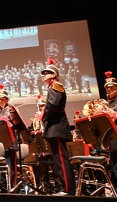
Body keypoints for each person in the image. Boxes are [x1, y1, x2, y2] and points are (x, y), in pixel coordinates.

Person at [37, 58, 76, 196]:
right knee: (57, 160)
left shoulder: (56, 85)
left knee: (61, 159)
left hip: (57, 126)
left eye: (46, 73)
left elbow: (52, 104)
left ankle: (66, 189)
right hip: (54, 126)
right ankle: (62, 187)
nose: (43, 75)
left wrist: (43, 114)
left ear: (53, 75)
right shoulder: (51, 87)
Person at [0, 85, 19, 188]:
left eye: (3, 99)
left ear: (7, 100)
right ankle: (1, 187)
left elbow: (13, 123)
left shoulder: (12, 110)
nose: (1, 101)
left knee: (11, 167)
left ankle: (13, 187)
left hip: (10, 141)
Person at [103, 71, 117, 193]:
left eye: (112, 87)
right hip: (111, 139)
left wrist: (114, 114)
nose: (109, 89)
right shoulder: (105, 104)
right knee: (116, 166)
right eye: (107, 88)